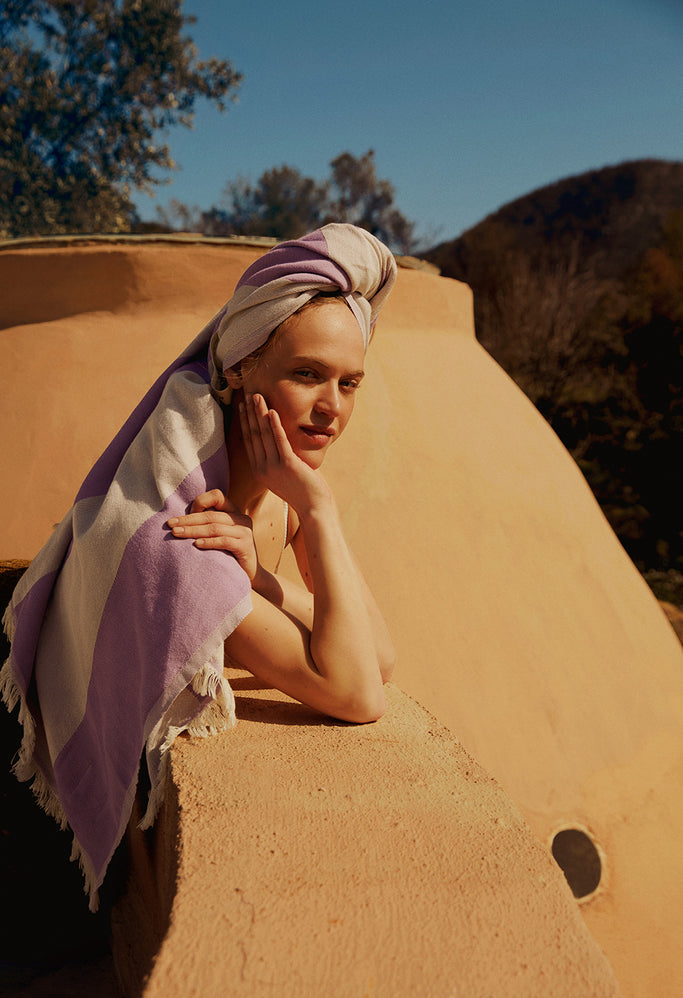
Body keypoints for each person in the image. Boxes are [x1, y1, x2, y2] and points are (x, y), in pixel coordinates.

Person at [0, 224, 397, 906]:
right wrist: (322, 512)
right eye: (307, 375)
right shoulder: (186, 537)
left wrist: (267, 578)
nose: (332, 409)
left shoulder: (274, 503)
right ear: (239, 369)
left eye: (350, 383)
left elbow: (381, 652)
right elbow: (358, 693)